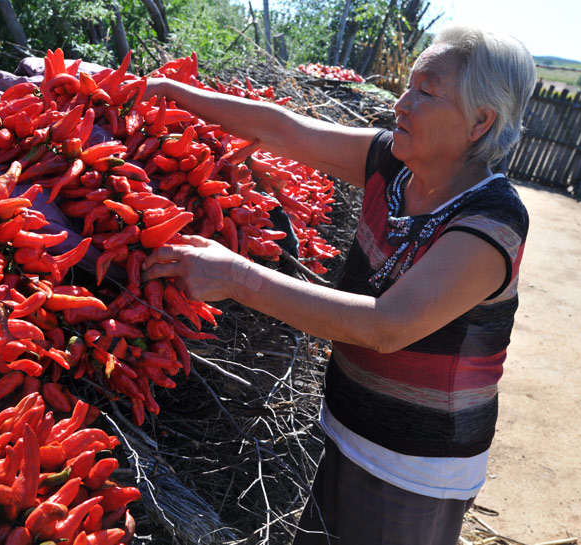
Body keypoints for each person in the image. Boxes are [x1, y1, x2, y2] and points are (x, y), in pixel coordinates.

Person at [141, 25, 537, 545]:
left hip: (414, 467)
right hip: (345, 425)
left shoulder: (492, 221)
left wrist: (236, 276)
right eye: (409, 85)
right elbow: (285, 130)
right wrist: (175, 95)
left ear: (480, 122)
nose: (402, 103)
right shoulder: (394, 168)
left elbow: (385, 325)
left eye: (426, 91)